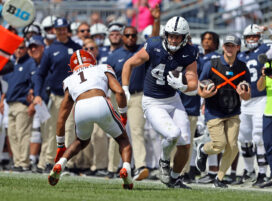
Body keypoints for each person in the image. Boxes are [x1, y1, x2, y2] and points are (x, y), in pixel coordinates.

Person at [122, 16, 198, 188]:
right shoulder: (154, 45)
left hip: (173, 99)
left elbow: (193, 82)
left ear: (185, 37)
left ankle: (175, 178)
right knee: (172, 134)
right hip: (153, 101)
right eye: (171, 35)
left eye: (177, 36)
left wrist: (183, 86)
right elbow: (129, 64)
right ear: (165, 34)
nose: (173, 39)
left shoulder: (189, 52)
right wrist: (125, 88)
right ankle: (164, 162)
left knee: (185, 142)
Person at [48, 49, 133, 189]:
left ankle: (59, 164)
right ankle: (126, 172)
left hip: (80, 107)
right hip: (100, 101)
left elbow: (61, 117)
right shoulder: (102, 67)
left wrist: (60, 145)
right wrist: (123, 114)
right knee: (123, 141)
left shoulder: (69, 80)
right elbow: (119, 91)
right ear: (92, 60)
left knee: (80, 142)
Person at [107, 5, 160, 181]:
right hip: (117, 96)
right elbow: (107, 77)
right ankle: (112, 167)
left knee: (137, 130)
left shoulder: (142, 51)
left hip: (137, 96)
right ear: (122, 37)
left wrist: (156, 20)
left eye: (133, 35)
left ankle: (141, 166)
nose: (130, 38)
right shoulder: (114, 55)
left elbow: (155, 39)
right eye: (127, 35)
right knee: (116, 131)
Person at [196, 33, 251, 188]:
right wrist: (204, 94)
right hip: (214, 111)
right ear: (223, 47)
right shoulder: (211, 64)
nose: (229, 48)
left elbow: (248, 96)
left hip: (233, 111)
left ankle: (219, 179)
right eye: (227, 45)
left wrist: (244, 94)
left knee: (233, 147)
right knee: (219, 144)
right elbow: (200, 87)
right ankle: (203, 149)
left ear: (238, 48)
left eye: (233, 46)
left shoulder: (242, 67)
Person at [33, 17, 81, 173]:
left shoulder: (76, 47)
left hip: (72, 96)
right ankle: (49, 161)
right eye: (59, 29)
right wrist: (38, 94)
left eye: (64, 28)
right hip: (55, 95)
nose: (62, 31)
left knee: (69, 129)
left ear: (68, 29)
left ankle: (65, 162)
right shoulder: (50, 49)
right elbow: (40, 73)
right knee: (53, 129)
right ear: (54, 30)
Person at [236, 24, 272, 186]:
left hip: (261, 99)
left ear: (260, 37)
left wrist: (267, 30)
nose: (252, 39)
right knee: (243, 138)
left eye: (255, 36)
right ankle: (250, 171)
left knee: (258, 137)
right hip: (245, 101)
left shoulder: (266, 49)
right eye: (249, 37)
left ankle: (263, 173)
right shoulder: (241, 56)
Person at [1, 40, 36, 171]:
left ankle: (24, 162)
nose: (19, 51)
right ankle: (17, 162)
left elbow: (34, 80)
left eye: (22, 48)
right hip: (10, 103)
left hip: (22, 103)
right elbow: (6, 84)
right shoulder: (12, 64)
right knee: (12, 134)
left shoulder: (30, 63)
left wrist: (32, 95)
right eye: (16, 49)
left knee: (23, 133)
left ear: (26, 49)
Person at [256, 52, 272, 188]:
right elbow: (260, 87)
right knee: (268, 144)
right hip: (268, 112)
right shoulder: (267, 66)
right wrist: (263, 75)